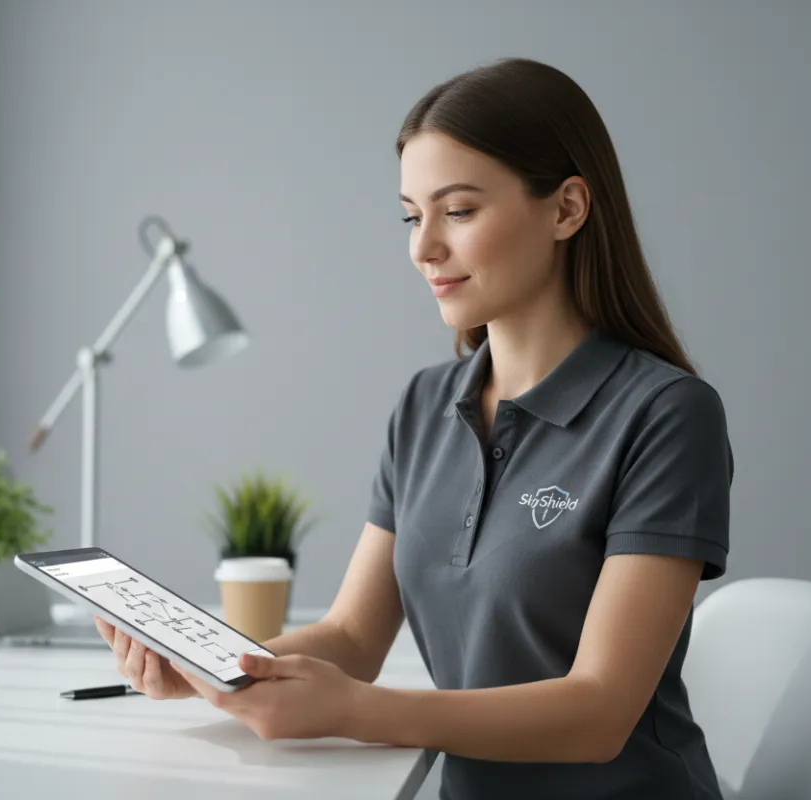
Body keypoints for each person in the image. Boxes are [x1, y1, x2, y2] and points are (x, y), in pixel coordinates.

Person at [96, 56, 732, 800]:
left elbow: (599, 712)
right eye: (411, 214)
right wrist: (223, 664)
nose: (422, 246)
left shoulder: (666, 414)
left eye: (458, 211)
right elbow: (352, 640)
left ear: (567, 209)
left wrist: (357, 711)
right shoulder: (424, 407)